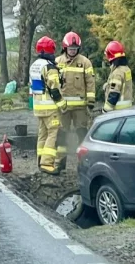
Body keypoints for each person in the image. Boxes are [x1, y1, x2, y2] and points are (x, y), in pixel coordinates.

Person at [55, 31, 95, 163]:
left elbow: (90, 82)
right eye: (70, 48)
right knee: (61, 134)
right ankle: (60, 162)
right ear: (65, 48)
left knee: (82, 133)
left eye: (75, 48)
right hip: (63, 108)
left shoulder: (85, 62)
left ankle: (83, 161)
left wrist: (90, 101)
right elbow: (52, 83)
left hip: (80, 107)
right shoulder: (57, 62)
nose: (73, 51)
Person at [31, 36, 67, 174]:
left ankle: (40, 160)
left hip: (38, 107)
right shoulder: (49, 67)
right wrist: (63, 105)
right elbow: (54, 90)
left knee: (43, 134)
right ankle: (47, 163)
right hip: (50, 108)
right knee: (54, 134)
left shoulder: (35, 65)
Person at [102, 40, 133, 112]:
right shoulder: (126, 69)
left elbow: (114, 93)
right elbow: (123, 87)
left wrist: (106, 110)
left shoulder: (117, 73)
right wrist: (108, 86)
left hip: (118, 111)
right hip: (127, 109)